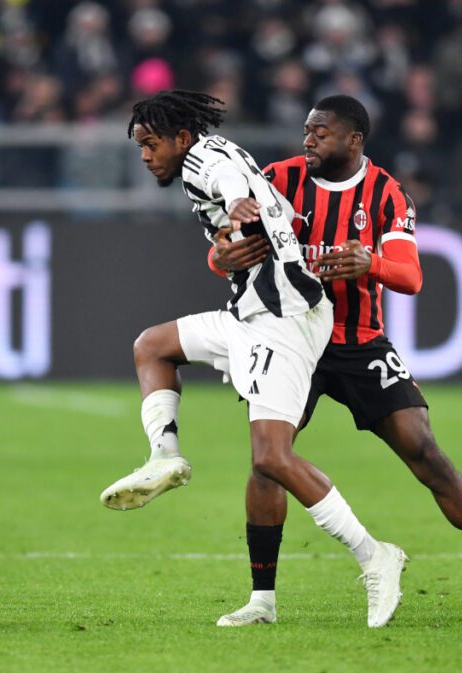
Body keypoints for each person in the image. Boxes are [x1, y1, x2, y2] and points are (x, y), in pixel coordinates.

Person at [207, 95, 462, 626]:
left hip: (360, 341)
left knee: (427, 454)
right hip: (291, 339)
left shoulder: (386, 193)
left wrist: (371, 261)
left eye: (320, 132)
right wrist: (222, 254)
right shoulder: (276, 179)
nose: (308, 139)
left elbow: (411, 277)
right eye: (306, 131)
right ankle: (262, 601)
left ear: (353, 139)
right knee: (269, 460)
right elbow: (220, 249)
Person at [99, 89, 407, 628]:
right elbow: (277, 207)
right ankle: (164, 457)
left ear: (181, 138)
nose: (146, 156)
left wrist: (243, 207)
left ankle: (374, 554)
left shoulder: (205, 162)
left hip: (282, 321)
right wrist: (237, 238)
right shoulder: (225, 150)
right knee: (152, 346)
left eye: (151, 144)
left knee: (271, 458)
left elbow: (234, 189)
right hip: (250, 314)